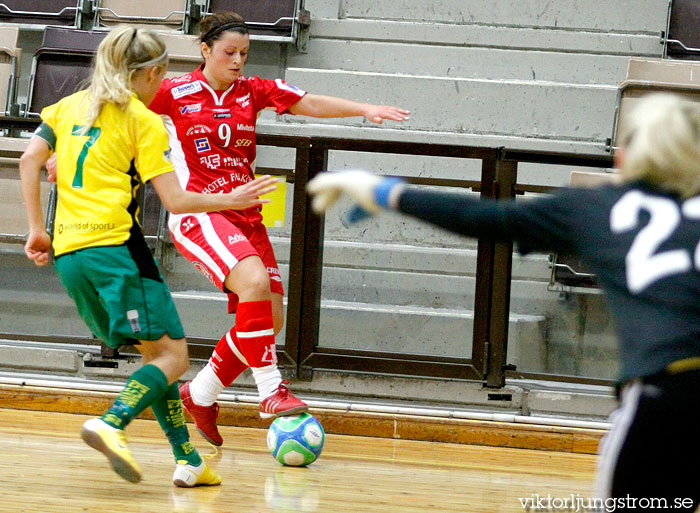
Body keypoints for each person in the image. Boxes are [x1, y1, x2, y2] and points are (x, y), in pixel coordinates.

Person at [307, 93, 700, 510]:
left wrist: (386, 192)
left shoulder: (600, 208)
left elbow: (486, 219)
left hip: (665, 394)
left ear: (628, 157)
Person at [19, 26, 278, 486]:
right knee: (174, 358)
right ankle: (112, 422)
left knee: (154, 354)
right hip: (117, 250)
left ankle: (189, 460)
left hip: (68, 253)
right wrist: (231, 199)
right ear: (153, 72)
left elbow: (29, 161)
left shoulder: (65, 108)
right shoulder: (142, 119)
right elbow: (177, 202)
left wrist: (38, 230)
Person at [147, 11, 410, 446]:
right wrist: (65, 146)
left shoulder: (253, 90)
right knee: (252, 282)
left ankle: (200, 393)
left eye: (244, 54)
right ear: (205, 50)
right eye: (229, 52)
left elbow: (308, 102)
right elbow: (115, 112)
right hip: (200, 210)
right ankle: (270, 390)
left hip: (247, 213)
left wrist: (362, 109)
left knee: (269, 316)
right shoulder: (173, 91)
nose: (237, 61)